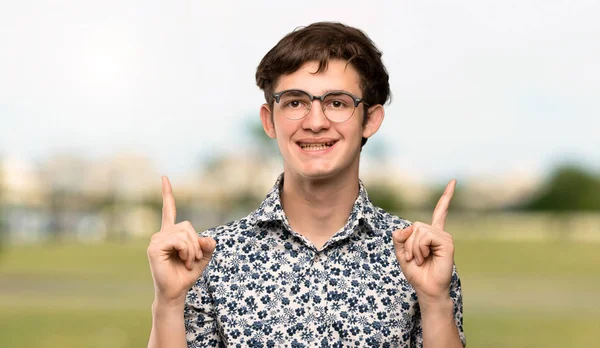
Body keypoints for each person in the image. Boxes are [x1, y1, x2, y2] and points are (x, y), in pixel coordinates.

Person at [147, 22, 466, 347]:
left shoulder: (419, 258)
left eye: (337, 103)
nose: (315, 122)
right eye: (295, 102)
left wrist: (436, 301)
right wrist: (168, 304)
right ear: (270, 119)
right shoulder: (209, 258)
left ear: (370, 120)